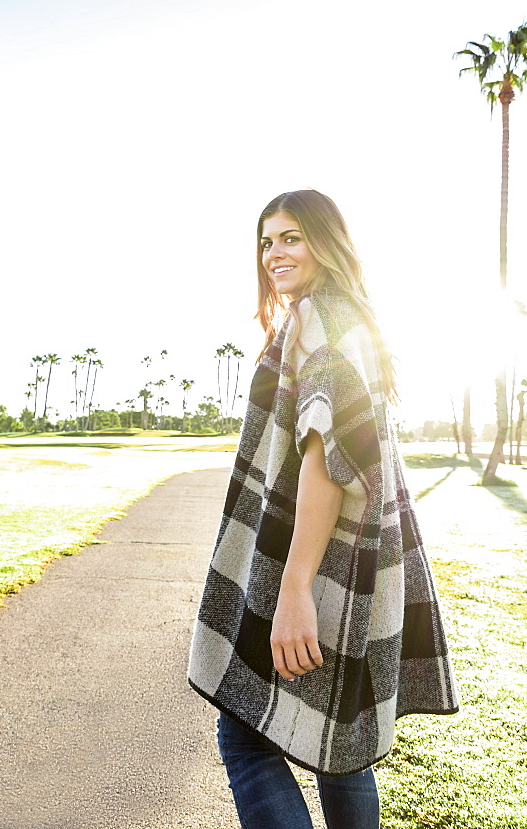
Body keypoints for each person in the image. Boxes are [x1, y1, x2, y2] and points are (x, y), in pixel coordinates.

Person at [187, 189, 459, 829]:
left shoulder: (320, 319)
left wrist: (296, 588)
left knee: (244, 732)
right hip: (361, 567)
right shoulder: (351, 320)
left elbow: (326, 462)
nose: (274, 253)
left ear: (325, 243)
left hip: (323, 565)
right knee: (341, 751)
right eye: (266, 240)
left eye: (291, 237)